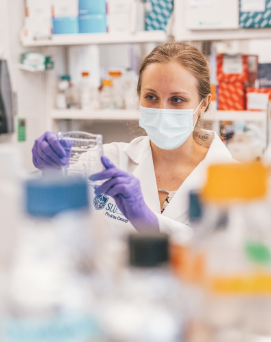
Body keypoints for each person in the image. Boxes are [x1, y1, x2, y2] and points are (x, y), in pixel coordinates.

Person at [32, 42, 235, 235]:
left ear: (203, 104)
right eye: (151, 97)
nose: (162, 109)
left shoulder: (232, 176)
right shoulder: (104, 161)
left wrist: (146, 219)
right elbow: (56, 227)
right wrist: (51, 174)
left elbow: (231, 251)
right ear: (139, 98)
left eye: (177, 100)